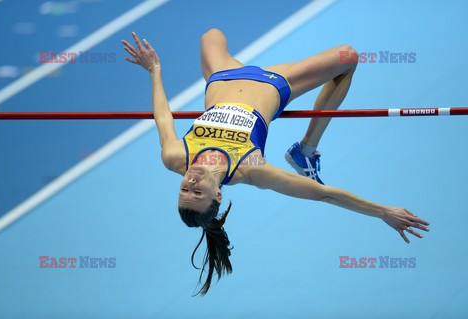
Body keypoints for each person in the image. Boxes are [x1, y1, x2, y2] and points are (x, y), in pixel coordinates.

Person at [121, 29, 430, 295]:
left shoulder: (176, 157)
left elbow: (163, 116)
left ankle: (304, 148)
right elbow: (324, 193)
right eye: (197, 193)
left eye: (184, 190)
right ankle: (306, 149)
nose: (190, 183)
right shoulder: (251, 168)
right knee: (348, 57)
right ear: (218, 194)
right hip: (273, 84)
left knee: (211, 35)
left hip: (222, 77)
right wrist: (383, 212)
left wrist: (155, 69)